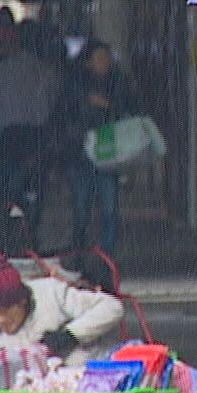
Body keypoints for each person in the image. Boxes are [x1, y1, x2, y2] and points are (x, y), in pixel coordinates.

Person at [0, 21, 65, 227]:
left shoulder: (2, 70)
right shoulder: (48, 73)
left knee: (5, 187)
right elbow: (57, 107)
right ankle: (31, 232)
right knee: (35, 188)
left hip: (7, 139)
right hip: (39, 140)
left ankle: (4, 228)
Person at [0, 251, 124, 366]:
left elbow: (112, 307)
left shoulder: (52, 293)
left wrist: (72, 335)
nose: (1, 319)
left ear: (22, 300)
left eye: (6, 310)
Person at [63, 40, 136, 258]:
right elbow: (67, 113)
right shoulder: (75, 85)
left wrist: (109, 105)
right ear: (87, 62)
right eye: (99, 58)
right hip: (81, 155)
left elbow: (129, 108)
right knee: (81, 209)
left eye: (107, 58)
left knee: (109, 208)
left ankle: (107, 257)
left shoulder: (117, 83)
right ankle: (79, 252)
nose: (104, 62)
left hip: (109, 153)